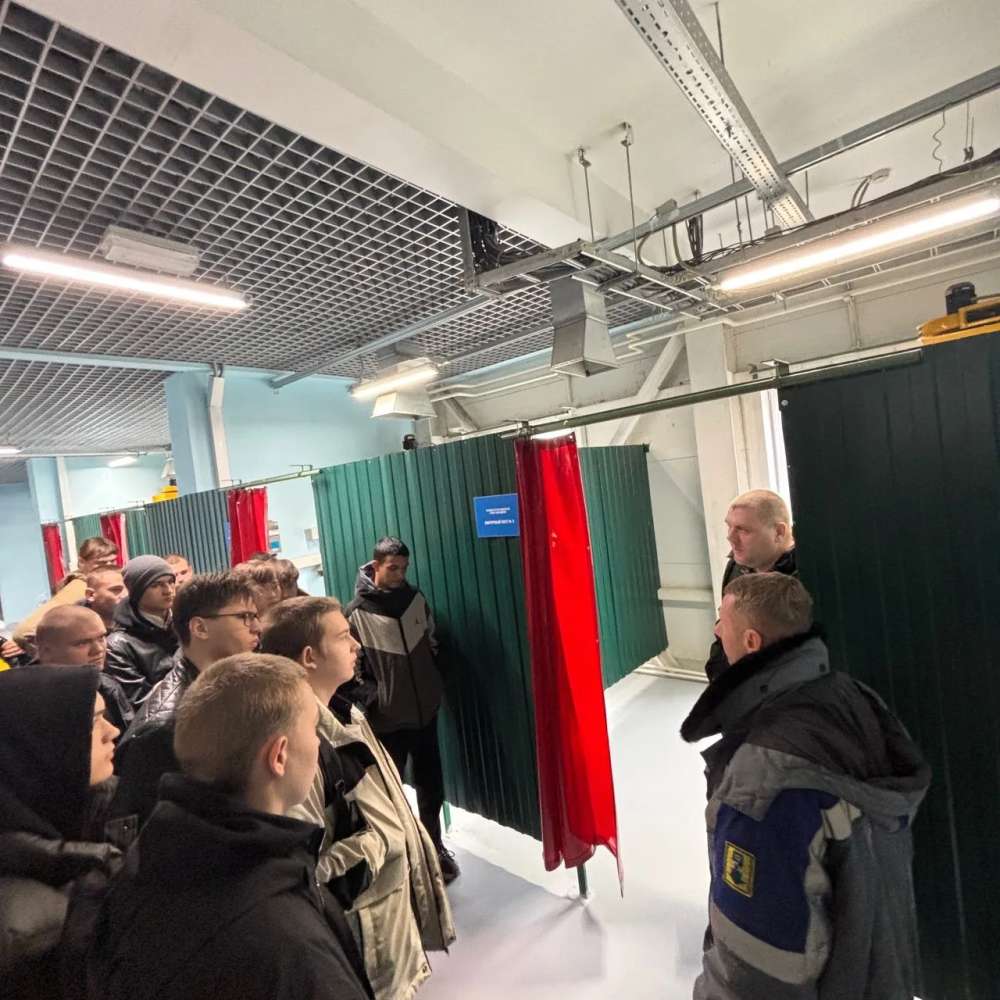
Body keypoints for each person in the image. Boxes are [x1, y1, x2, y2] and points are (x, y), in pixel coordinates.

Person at [681, 574, 930, 1000]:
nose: (717, 630)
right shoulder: (852, 699)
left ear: (752, 642)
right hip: (879, 971)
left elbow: (754, 965)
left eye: (723, 620)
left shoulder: (761, 780)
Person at [90, 654, 373, 1000]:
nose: (318, 743)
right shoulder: (289, 943)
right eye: (313, 730)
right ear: (279, 756)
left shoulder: (147, 860)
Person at [262, 597, 455, 999]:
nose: (357, 645)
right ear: (310, 657)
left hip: (385, 926)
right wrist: (382, 840)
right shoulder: (302, 748)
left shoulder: (346, 714)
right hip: (360, 945)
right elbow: (303, 872)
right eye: (344, 636)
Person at [0, 666, 131, 1000]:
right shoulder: (24, 932)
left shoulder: (97, 808)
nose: (113, 731)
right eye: (94, 722)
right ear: (39, 746)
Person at [345, 537, 458, 882]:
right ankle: (405, 856)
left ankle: (434, 847)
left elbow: (433, 643)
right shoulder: (356, 613)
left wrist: (433, 684)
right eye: (393, 568)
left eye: (404, 568)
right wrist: (376, 699)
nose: (399, 575)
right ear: (376, 565)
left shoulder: (415, 600)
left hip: (425, 713)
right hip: (388, 721)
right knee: (391, 793)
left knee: (431, 786)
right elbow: (350, 671)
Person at [111, 572, 262, 824]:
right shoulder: (165, 726)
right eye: (243, 617)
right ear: (200, 627)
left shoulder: (236, 687)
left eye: (256, 616)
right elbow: (153, 826)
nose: (257, 627)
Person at [704, 490, 797, 681]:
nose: (730, 538)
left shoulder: (807, 582)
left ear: (779, 532)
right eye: (729, 527)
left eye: (743, 530)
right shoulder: (737, 567)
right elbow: (723, 634)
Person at [35, 606, 134, 736]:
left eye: (101, 638)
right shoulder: (32, 705)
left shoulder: (107, 685)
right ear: (46, 652)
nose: (98, 649)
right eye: (82, 643)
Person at [13, 537, 120, 649]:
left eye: (113, 561)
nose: (109, 566)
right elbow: (23, 632)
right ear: (82, 562)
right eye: (101, 563)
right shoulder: (80, 586)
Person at [104, 556, 177, 707]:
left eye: (170, 582)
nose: (168, 590)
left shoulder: (187, 624)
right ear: (137, 591)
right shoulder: (118, 645)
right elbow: (139, 701)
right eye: (156, 585)